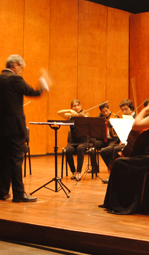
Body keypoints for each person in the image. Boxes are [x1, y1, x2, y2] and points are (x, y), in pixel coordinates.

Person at [100, 87, 149, 215]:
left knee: (120, 163)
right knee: (132, 162)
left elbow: (136, 126)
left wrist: (145, 110)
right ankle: (148, 201)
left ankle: (121, 203)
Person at [0, 54, 49, 202]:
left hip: (1, 128)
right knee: (16, 160)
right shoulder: (15, 78)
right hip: (14, 128)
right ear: (15, 65)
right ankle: (19, 194)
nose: (22, 71)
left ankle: (2, 192)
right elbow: (33, 92)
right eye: (21, 67)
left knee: (3, 160)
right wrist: (43, 85)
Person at [58, 99, 99, 181]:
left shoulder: (85, 114)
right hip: (73, 141)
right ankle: (74, 172)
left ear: (81, 106)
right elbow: (59, 113)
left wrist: (81, 116)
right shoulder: (70, 116)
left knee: (80, 148)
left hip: (84, 141)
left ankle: (79, 172)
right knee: (68, 150)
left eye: (78, 105)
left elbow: (87, 119)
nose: (76, 107)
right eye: (74, 106)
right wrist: (70, 111)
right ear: (72, 107)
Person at [100, 99, 135, 183]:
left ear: (131, 108)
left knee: (116, 149)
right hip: (121, 141)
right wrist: (113, 127)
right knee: (104, 151)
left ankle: (116, 176)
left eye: (126, 109)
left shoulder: (136, 118)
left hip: (131, 143)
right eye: (122, 110)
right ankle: (113, 173)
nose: (124, 112)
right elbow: (116, 135)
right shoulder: (124, 118)